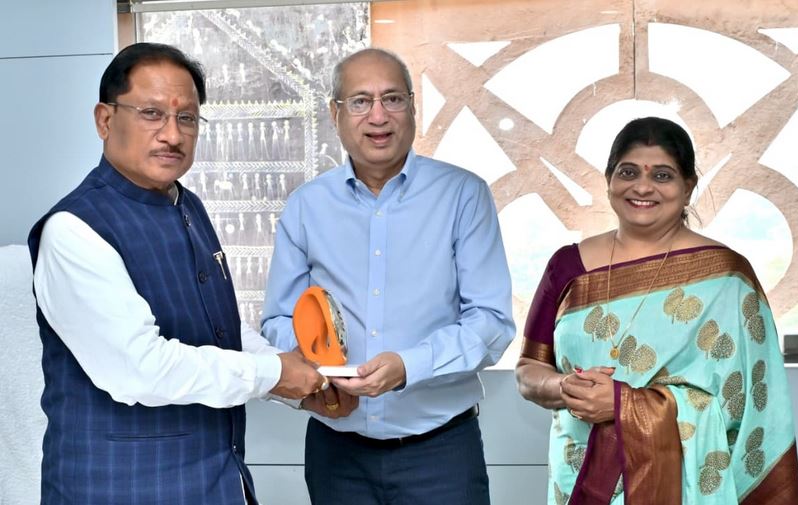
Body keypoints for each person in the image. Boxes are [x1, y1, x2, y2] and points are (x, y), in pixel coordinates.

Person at [27, 42, 327, 504]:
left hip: (215, 482)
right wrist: (273, 374)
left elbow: (219, 328)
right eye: (151, 114)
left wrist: (297, 382)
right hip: (120, 489)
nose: (172, 134)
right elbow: (138, 369)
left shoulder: (188, 207)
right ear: (105, 120)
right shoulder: (75, 229)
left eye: (187, 118)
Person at [262, 48, 515, 505]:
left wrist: (408, 367)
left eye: (393, 99)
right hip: (337, 451)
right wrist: (320, 366)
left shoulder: (463, 195)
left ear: (413, 108)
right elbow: (278, 320)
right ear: (335, 114)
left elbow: (491, 322)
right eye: (360, 101)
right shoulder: (306, 206)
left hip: (441, 451)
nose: (378, 116)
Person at [515, 116, 798, 504]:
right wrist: (563, 388)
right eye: (628, 172)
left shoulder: (727, 278)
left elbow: (756, 408)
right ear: (609, 180)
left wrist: (623, 406)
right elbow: (529, 369)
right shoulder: (567, 267)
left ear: (688, 187)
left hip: (688, 483)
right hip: (580, 476)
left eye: (662, 175)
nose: (642, 187)